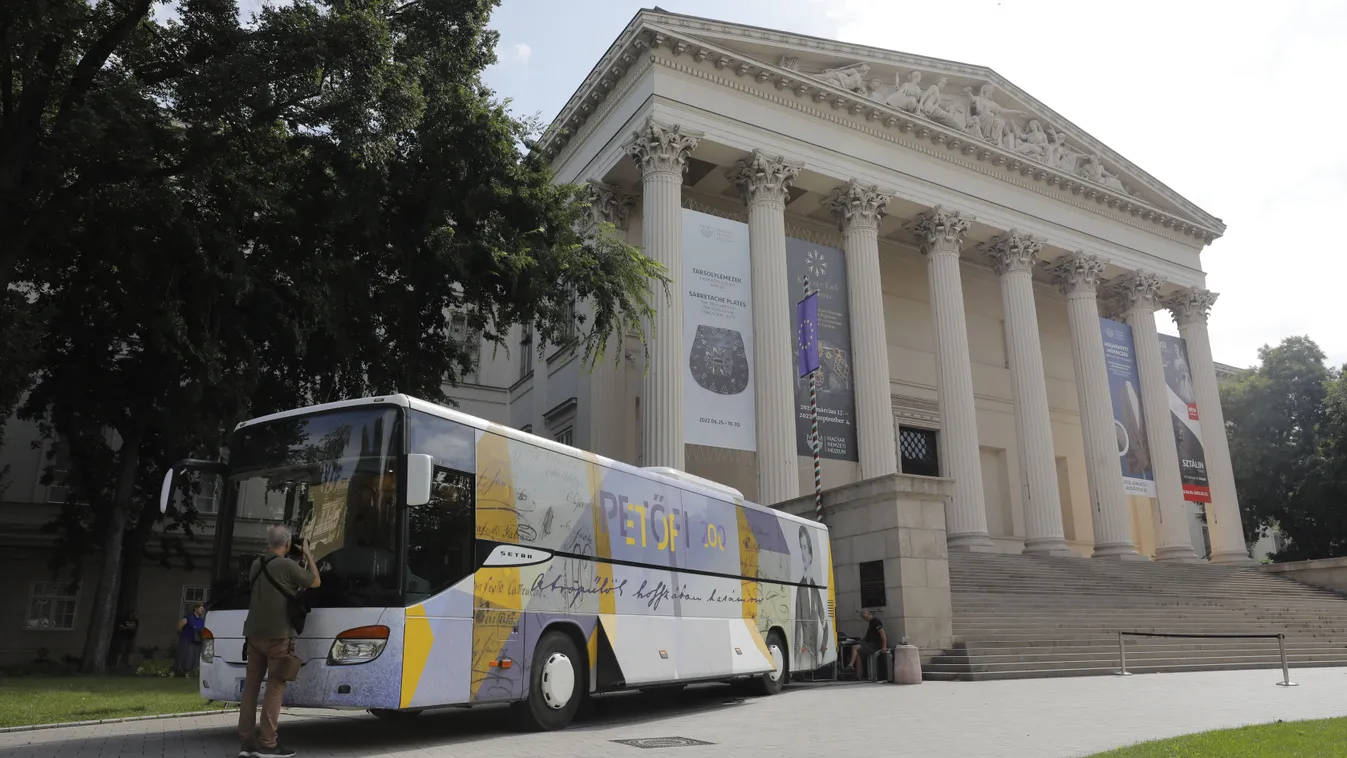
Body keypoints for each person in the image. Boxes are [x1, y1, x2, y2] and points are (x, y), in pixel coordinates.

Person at [238, 525, 320, 758]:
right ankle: (268, 744)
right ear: (286, 544)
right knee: (275, 688)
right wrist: (307, 554)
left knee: (251, 689)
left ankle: (247, 743)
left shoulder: (257, 564)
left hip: (253, 635)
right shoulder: (287, 565)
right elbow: (315, 581)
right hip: (278, 636)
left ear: (268, 543)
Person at [848, 609, 888, 677]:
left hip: (874, 644)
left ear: (869, 614)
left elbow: (883, 634)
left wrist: (884, 647)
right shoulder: (871, 623)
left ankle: (850, 665)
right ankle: (859, 675)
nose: (865, 619)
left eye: (865, 617)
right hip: (869, 643)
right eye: (863, 618)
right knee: (858, 653)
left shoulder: (875, 622)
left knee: (855, 647)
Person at [175, 603, 206, 675]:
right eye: (200, 608)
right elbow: (179, 627)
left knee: (194, 657)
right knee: (185, 655)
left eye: (202, 609)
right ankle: (181, 671)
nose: (202, 610)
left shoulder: (201, 620)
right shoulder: (188, 617)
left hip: (197, 641)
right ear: (196, 609)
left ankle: (191, 671)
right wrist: (183, 635)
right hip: (187, 640)